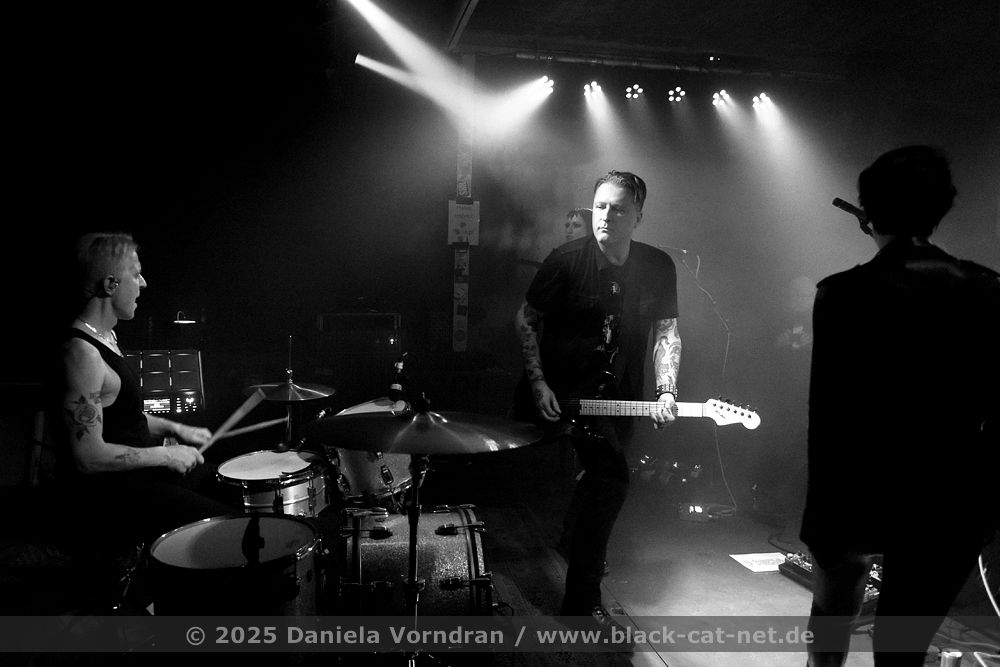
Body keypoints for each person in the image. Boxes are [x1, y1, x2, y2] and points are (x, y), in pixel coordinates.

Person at [801, 146, 1000, 666]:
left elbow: (829, 416)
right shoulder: (987, 289)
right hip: (948, 499)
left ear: (869, 211)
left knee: (830, 627)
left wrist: (821, 522)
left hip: (856, 488)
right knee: (901, 650)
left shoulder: (840, 294)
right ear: (942, 207)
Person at [514, 171, 681, 637]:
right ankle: (580, 604)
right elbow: (526, 319)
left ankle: (571, 547)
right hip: (561, 394)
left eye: (619, 209)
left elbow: (667, 331)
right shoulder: (565, 260)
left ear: (638, 217)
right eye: (601, 206)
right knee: (609, 482)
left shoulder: (657, 266)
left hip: (617, 400)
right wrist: (539, 383)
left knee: (602, 482)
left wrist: (666, 390)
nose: (606, 216)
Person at [50, 232, 232, 555]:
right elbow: (87, 456)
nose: (144, 283)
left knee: (230, 488)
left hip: (142, 477)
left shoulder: (107, 338)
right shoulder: (82, 355)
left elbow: (123, 415)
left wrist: (177, 428)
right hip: (118, 495)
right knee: (227, 527)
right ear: (111, 285)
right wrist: (167, 455)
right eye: (136, 274)